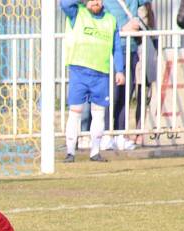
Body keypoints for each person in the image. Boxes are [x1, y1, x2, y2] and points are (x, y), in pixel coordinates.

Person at [62, 0, 125, 163]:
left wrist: (119, 70)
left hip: (101, 74)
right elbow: (64, 3)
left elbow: (116, 47)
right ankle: (70, 153)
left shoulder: (110, 20)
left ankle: (95, 152)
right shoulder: (77, 12)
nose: (95, 2)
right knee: (75, 112)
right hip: (79, 71)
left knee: (99, 113)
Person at [103, 0, 155, 151]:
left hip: (132, 51)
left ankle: (121, 135)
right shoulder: (105, 3)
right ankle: (107, 134)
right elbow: (99, 23)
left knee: (126, 95)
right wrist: (122, 29)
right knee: (113, 95)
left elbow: (147, 5)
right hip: (113, 51)